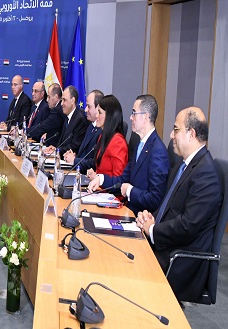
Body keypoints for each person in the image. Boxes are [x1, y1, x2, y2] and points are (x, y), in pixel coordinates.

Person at [136, 107, 222, 302]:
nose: (171, 135)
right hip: (166, 247)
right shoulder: (183, 165)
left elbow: (187, 226)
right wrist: (149, 218)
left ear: (191, 134)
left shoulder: (206, 173)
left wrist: (153, 230)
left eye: (175, 129)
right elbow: (169, 207)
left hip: (180, 262)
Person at [88, 94, 169, 214]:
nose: (131, 117)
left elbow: (155, 199)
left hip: (139, 216)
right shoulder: (140, 144)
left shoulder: (158, 151)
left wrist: (130, 191)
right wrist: (101, 179)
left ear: (145, 117)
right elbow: (123, 179)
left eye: (134, 113)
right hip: (128, 211)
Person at [85, 95, 128, 178]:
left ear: (109, 116)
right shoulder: (103, 136)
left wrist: (98, 178)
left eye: (100, 112)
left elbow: (118, 180)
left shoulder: (118, 142)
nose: (96, 116)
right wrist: (95, 174)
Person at [64, 89, 103, 173]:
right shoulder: (90, 127)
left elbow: (94, 163)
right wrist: (73, 156)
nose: (85, 110)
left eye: (89, 106)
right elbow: (84, 154)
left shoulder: (102, 131)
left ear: (98, 108)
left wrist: (74, 160)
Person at [44, 85, 88, 157]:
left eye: (64, 100)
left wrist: (57, 151)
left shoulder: (80, 119)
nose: (61, 104)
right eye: (62, 100)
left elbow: (74, 146)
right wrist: (55, 148)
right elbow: (63, 142)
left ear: (72, 100)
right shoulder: (67, 116)